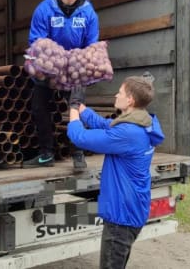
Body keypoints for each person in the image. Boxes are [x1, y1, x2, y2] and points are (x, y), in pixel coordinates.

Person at [67, 76, 165, 269]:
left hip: (122, 218)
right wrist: (82, 109)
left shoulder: (128, 133)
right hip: (131, 211)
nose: (115, 94)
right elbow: (107, 126)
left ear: (130, 100)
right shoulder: (141, 123)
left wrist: (72, 109)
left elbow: (80, 137)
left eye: (120, 92)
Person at [23, 0, 99, 170]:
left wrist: (80, 65)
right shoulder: (44, 9)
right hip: (49, 67)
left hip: (73, 68)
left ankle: (78, 154)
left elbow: (91, 46)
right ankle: (46, 154)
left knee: (76, 107)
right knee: (39, 107)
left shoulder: (88, 13)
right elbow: (36, 42)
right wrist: (53, 65)